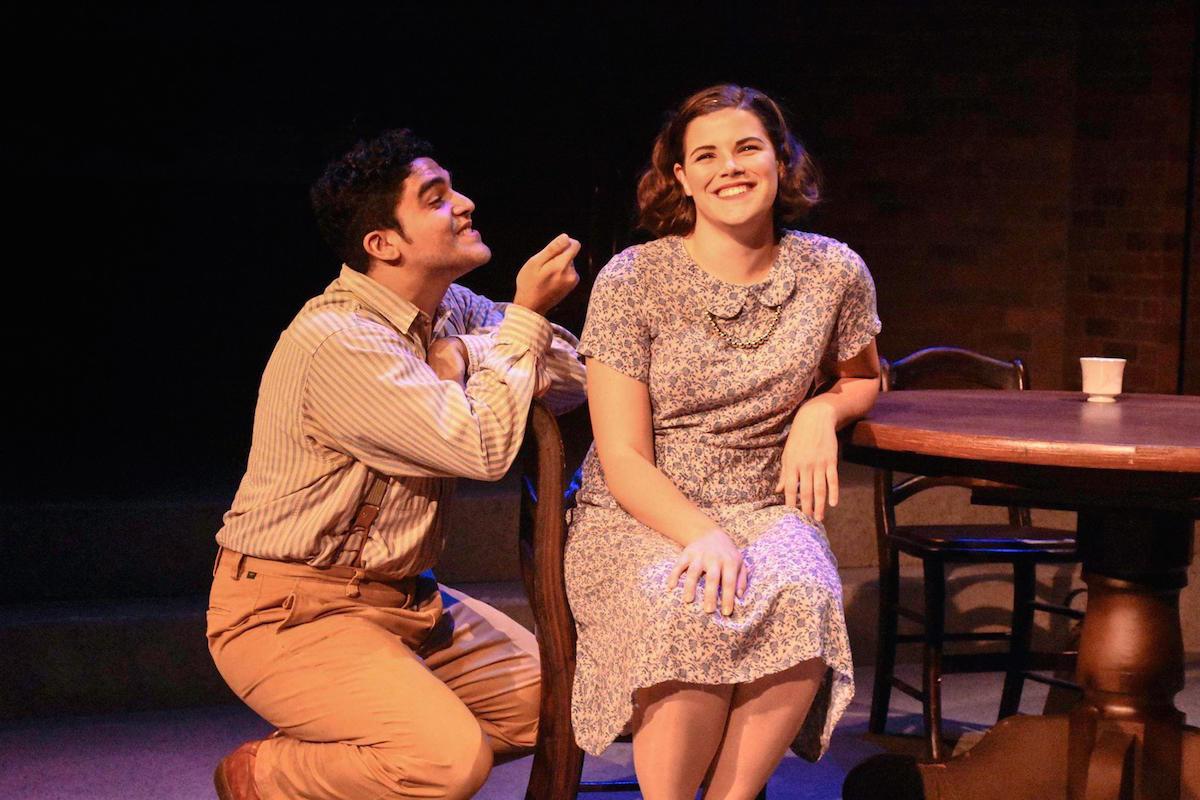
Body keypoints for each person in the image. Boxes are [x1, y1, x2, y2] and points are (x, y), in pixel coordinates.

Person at [207, 129, 586, 800]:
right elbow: (482, 447)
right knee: (448, 763)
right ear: (383, 244)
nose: (465, 204)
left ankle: (378, 744)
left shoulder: (450, 312)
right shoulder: (340, 341)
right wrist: (524, 316)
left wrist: (466, 354)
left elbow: (573, 375)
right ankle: (263, 775)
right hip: (294, 610)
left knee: (558, 711)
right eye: (436, 199)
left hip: (407, 599)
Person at [564, 84, 882, 799]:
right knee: (688, 601)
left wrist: (820, 412)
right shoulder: (634, 279)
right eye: (705, 156)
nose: (729, 167)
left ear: (780, 161)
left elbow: (864, 376)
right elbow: (622, 455)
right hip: (640, 509)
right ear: (680, 177)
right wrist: (700, 532)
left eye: (746, 148)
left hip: (764, 502)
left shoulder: (833, 271)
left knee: (802, 589)